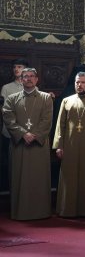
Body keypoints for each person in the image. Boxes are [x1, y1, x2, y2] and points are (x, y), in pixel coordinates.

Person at [3, 68, 53, 220]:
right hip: (19, 145)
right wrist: (23, 134)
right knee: (19, 179)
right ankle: (20, 212)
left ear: (37, 79)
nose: (29, 79)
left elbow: (47, 121)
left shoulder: (45, 98)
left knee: (39, 178)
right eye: (25, 77)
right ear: (21, 79)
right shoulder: (12, 98)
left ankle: (41, 212)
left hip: (39, 145)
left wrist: (35, 135)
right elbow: (8, 119)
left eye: (32, 76)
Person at [52, 72, 85, 217]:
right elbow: (60, 125)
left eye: (82, 82)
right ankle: (67, 209)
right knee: (69, 179)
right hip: (69, 147)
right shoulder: (66, 101)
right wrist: (59, 145)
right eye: (77, 82)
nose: (79, 85)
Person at [0, 59, 29, 190]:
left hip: (27, 130)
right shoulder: (6, 88)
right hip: (9, 131)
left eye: (19, 66)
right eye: (14, 67)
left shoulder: (30, 86)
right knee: (10, 163)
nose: (16, 69)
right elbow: (4, 110)